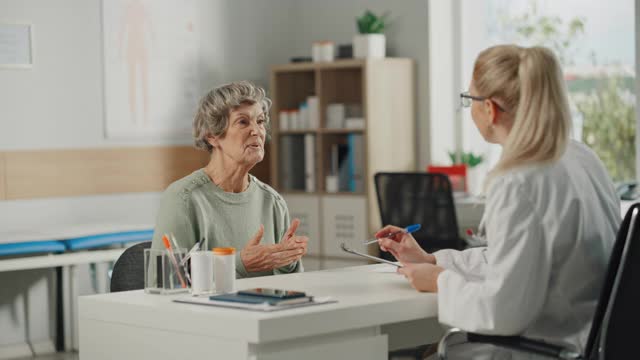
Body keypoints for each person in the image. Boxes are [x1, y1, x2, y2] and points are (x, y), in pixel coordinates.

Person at [376, 45, 620, 357]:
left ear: (489, 108)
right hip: (589, 342)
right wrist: (433, 262)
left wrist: (441, 282)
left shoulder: (518, 180)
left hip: (541, 349)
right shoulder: (583, 157)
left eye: (469, 99)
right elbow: (518, 259)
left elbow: (503, 312)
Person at [152, 81, 308, 278]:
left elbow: (293, 287)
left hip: (265, 308)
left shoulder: (272, 201)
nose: (257, 131)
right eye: (243, 122)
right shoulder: (183, 199)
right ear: (212, 136)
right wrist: (239, 263)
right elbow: (165, 281)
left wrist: (287, 261)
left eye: (260, 121)